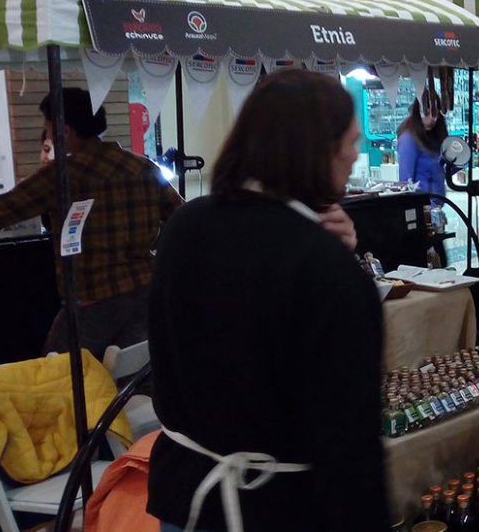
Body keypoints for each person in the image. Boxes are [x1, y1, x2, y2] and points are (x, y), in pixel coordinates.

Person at [147, 69, 389, 532]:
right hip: (275, 507)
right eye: (351, 141)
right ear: (317, 149)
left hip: (186, 498)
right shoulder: (326, 271)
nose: (357, 156)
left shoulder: (184, 227)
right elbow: (349, 451)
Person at [0, 87, 184, 359]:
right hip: (145, 293)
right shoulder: (143, 167)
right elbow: (181, 218)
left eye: (48, 128)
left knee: (59, 378)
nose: (47, 135)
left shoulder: (62, 177)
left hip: (92, 300)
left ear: (64, 130)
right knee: (130, 377)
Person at [397, 89, 448, 195]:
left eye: (435, 114)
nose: (431, 119)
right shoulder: (409, 139)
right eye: (426, 113)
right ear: (417, 112)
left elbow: (441, 171)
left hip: (437, 204)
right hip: (421, 206)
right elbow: (405, 182)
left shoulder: (435, 136)